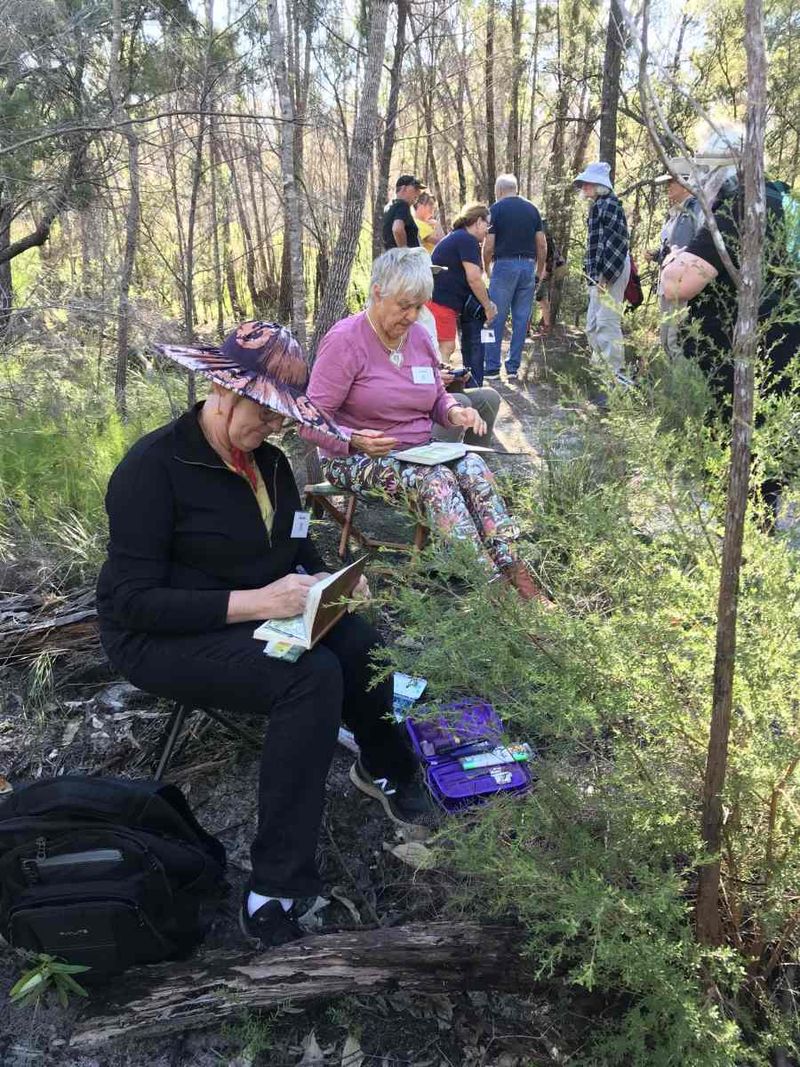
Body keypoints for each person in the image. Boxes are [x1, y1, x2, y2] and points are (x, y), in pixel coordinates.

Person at [96, 321, 436, 952]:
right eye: (267, 412)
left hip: (255, 610)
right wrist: (260, 600)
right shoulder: (153, 468)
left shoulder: (272, 465)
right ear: (222, 391)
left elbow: (296, 543)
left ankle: (384, 767)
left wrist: (324, 579)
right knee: (310, 679)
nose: (275, 427)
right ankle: (275, 890)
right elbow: (132, 602)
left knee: (360, 641)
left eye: (285, 416)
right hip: (159, 637)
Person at [303, 248, 545, 600]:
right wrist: (355, 438)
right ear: (377, 292)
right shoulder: (345, 341)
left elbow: (435, 396)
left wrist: (454, 413)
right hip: (355, 459)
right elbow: (309, 422)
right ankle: (492, 592)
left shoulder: (417, 336)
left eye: (419, 307)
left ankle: (517, 575)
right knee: (437, 481)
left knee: (474, 466)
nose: (412, 316)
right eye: (404, 305)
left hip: (420, 453)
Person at [660, 128, 800, 506]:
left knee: (739, 445)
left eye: (703, 168)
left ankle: (737, 537)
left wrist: (671, 258)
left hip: (744, 358)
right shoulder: (781, 201)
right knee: (764, 447)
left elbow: (677, 285)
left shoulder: (741, 211)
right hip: (780, 352)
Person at [482, 174, 546, 381]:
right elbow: (542, 244)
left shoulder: (496, 210)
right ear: (515, 188)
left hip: (504, 265)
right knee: (521, 318)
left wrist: (486, 268)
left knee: (494, 316)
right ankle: (512, 368)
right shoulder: (532, 209)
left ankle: (491, 367)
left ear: (499, 191)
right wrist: (539, 271)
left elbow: (489, 245)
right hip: (527, 266)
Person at [573, 161, 632, 381]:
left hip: (610, 272)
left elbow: (617, 242)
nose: (584, 187)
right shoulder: (599, 205)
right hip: (601, 274)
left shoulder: (609, 204)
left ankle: (616, 380)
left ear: (599, 185)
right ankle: (603, 377)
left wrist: (607, 275)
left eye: (588, 183)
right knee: (593, 326)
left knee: (607, 324)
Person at [427, 202, 498, 384]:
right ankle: (438, 391)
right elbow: (474, 278)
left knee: (446, 347)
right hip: (440, 302)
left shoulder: (458, 237)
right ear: (477, 221)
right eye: (486, 225)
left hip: (443, 302)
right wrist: (488, 306)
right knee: (445, 347)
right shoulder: (467, 240)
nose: (487, 231)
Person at [647, 168, 704, 358]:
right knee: (666, 340)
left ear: (685, 183)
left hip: (683, 286)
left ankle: (683, 385)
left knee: (676, 340)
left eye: (672, 182)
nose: (668, 187)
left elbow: (697, 246)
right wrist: (656, 255)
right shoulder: (677, 212)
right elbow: (673, 247)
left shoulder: (696, 208)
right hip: (669, 284)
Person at [533, 220, 566, 334]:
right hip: (543, 272)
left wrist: (540, 277)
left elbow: (547, 261)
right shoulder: (547, 240)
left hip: (544, 272)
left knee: (540, 298)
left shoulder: (546, 242)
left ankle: (545, 327)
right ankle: (546, 326)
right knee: (542, 299)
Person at [382, 174, 424, 250]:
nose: (418, 192)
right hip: (404, 259)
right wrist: (405, 253)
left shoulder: (390, 207)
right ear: (404, 188)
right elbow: (397, 229)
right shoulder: (402, 205)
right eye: (415, 188)